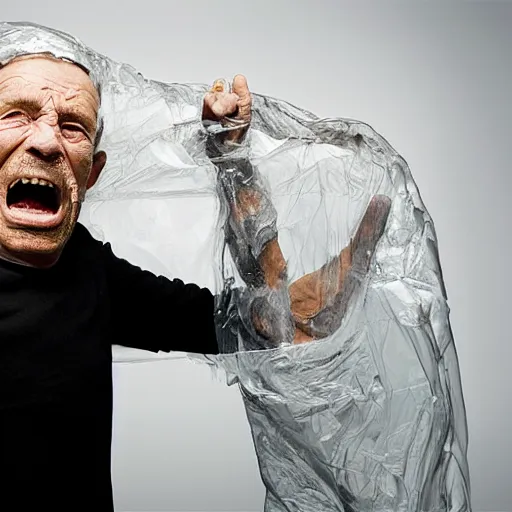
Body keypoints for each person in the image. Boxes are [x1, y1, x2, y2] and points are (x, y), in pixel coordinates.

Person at [0, 52, 389, 510]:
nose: (46, 142)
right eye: (15, 116)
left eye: (73, 127)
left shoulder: (87, 269)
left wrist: (233, 161)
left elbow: (276, 326)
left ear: (93, 173)